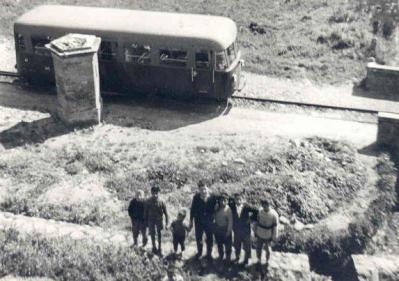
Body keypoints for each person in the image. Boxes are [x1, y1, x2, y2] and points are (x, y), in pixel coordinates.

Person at [189, 180, 216, 260]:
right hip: (198, 221)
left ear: (208, 188)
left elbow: (216, 208)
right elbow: (192, 210)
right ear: (199, 190)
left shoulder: (212, 197)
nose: (203, 191)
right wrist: (191, 221)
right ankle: (199, 252)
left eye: (205, 189)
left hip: (209, 221)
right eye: (201, 189)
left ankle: (209, 254)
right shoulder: (196, 197)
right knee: (199, 238)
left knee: (209, 238)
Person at [230, 192, 256, 265]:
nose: (238, 201)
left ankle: (248, 259)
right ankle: (237, 257)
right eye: (236, 199)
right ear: (234, 200)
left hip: (245, 230)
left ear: (242, 199)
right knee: (237, 245)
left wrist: (250, 219)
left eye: (239, 199)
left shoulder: (247, 207)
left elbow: (256, 212)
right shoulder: (232, 206)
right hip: (236, 230)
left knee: (247, 245)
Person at [254, 198, 279, 267]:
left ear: (269, 205)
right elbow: (256, 222)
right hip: (260, 233)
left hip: (268, 234)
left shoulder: (274, 214)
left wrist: (274, 236)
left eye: (267, 205)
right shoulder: (259, 211)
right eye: (263, 205)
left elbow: (275, 226)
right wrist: (255, 232)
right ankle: (258, 260)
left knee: (268, 249)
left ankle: (267, 261)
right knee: (258, 247)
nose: (265, 207)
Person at [146, 186, 169, 255]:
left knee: (159, 234)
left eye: (156, 192)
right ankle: (154, 247)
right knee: (152, 234)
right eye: (153, 192)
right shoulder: (148, 201)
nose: (155, 194)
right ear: (151, 193)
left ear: (159, 193)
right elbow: (145, 213)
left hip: (159, 220)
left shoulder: (162, 202)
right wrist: (146, 223)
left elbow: (166, 213)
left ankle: (160, 248)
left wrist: (167, 223)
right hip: (151, 220)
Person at [213, 192, 233, 263]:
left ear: (227, 201)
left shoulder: (228, 209)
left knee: (228, 245)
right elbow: (214, 216)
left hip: (226, 229)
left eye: (225, 200)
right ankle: (221, 256)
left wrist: (229, 231)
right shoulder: (217, 207)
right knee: (219, 244)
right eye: (221, 200)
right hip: (218, 229)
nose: (223, 202)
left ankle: (228, 259)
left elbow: (230, 221)